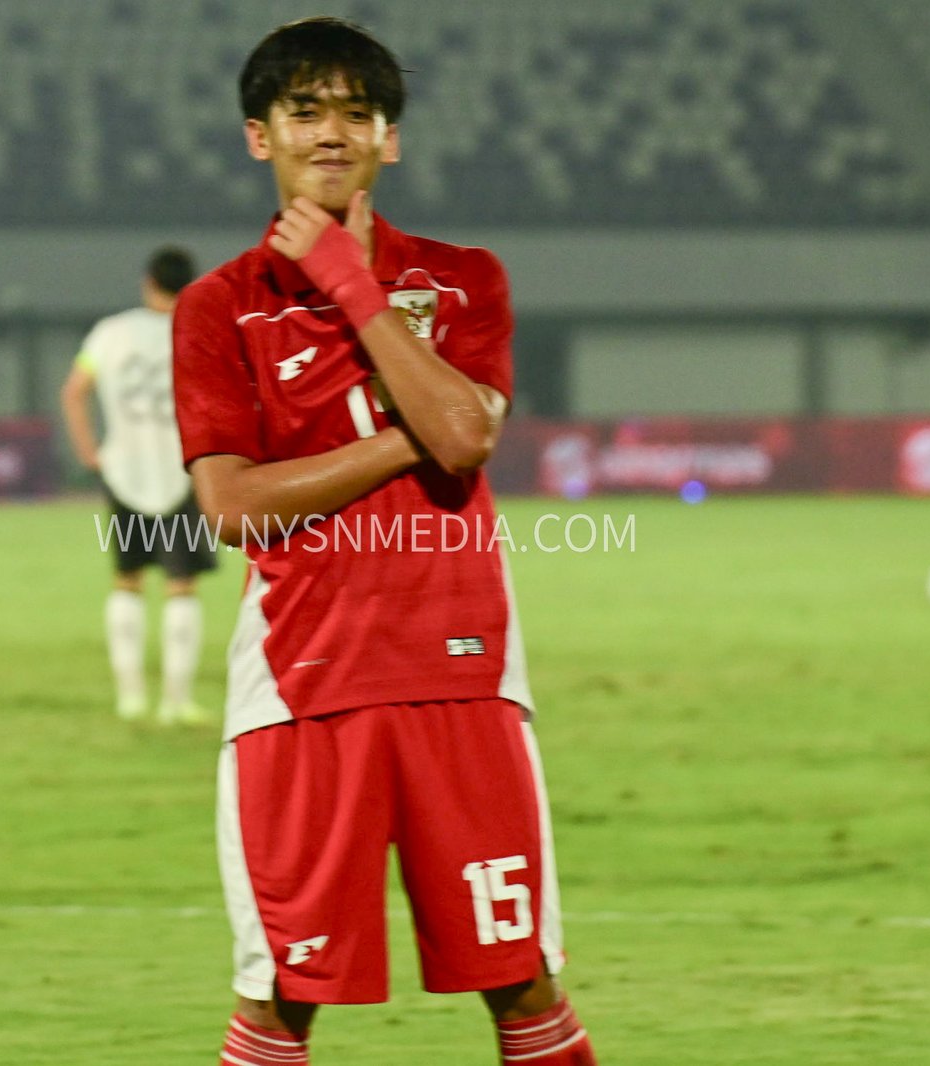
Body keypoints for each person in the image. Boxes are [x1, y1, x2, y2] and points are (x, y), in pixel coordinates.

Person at [171, 18, 596, 1066]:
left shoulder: (463, 279)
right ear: (258, 137)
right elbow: (234, 509)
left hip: (465, 678)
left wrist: (350, 282)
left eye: (356, 113)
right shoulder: (219, 309)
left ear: (388, 140)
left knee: (523, 983)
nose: (332, 132)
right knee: (282, 998)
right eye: (304, 111)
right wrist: (418, 440)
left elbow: (468, 437)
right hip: (303, 684)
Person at [60, 247, 215, 725]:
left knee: (127, 579)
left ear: (149, 282)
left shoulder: (110, 333)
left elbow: (74, 391)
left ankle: (130, 696)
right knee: (181, 585)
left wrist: (89, 449)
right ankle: (176, 700)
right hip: (183, 472)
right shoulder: (200, 334)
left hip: (123, 470)